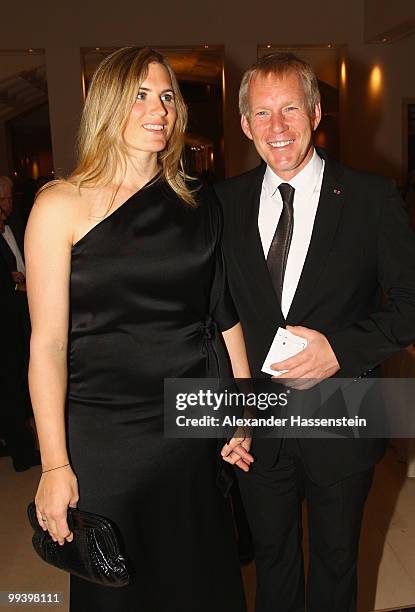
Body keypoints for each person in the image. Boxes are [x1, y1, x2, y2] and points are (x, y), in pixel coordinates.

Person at [25, 47, 249, 612]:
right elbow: (47, 346)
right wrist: (54, 465)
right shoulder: (59, 205)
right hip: (106, 432)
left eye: (168, 96)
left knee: (200, 576)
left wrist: (243, 411)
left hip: (190, 419)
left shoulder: (199, 202)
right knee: (119, 591)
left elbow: (222, 313)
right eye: (140, 95)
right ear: (107, 105)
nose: (159, 110)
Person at [215, 52, 415, 612]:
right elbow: (215, 317)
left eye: (290, 109)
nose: (277, 127)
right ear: (245, 123)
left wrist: (341, 351)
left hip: (343, 413)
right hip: (257, 429)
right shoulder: (221, 205)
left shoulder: (373, 198)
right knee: (273, 562)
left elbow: (410, 304)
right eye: (262, 113)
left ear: (317, 111)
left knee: (335, 564)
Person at [0, 176, 38, 471]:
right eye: (4, 200)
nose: (8, 206)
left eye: (10, 199)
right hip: (7, 324)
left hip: (21, 317)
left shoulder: (17, 225)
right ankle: (21, 452)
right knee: (11, 386)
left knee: (19, 382)